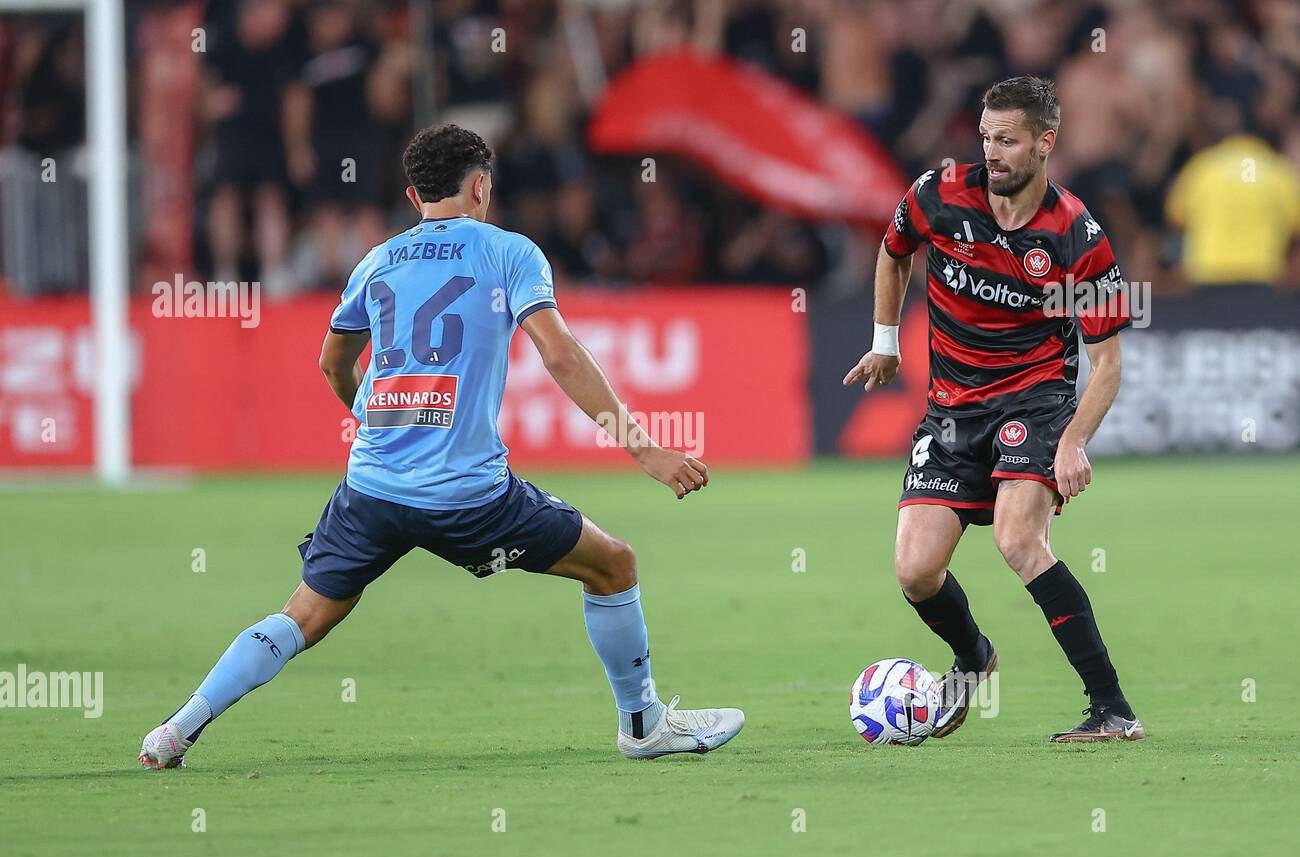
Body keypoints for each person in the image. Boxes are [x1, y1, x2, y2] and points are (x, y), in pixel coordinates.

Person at [139, 125, 743, 768]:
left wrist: (372, 418)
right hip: (470, 499)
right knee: (613, 565)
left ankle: (177, 729)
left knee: (302, 615)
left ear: (413, 196)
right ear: (480, 186)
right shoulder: (510, 253)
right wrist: (647, 450)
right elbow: (561, 354)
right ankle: (643, 725)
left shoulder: (377, 260)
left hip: (371, 491)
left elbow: (332, 362)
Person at [843, 76, 1144, 743]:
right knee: (916, 570)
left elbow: (1108, 364)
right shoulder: (938, 195)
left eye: (1007, 140)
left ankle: (1112, 709)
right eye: (985, 137)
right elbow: (893, 252)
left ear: (1045, 142)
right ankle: (974, 656)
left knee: (1018, 540)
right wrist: (885, 342)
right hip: (951, 409)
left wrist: (1073, 440)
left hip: (1034, 401)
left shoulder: (1077, 236)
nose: (992, 152)